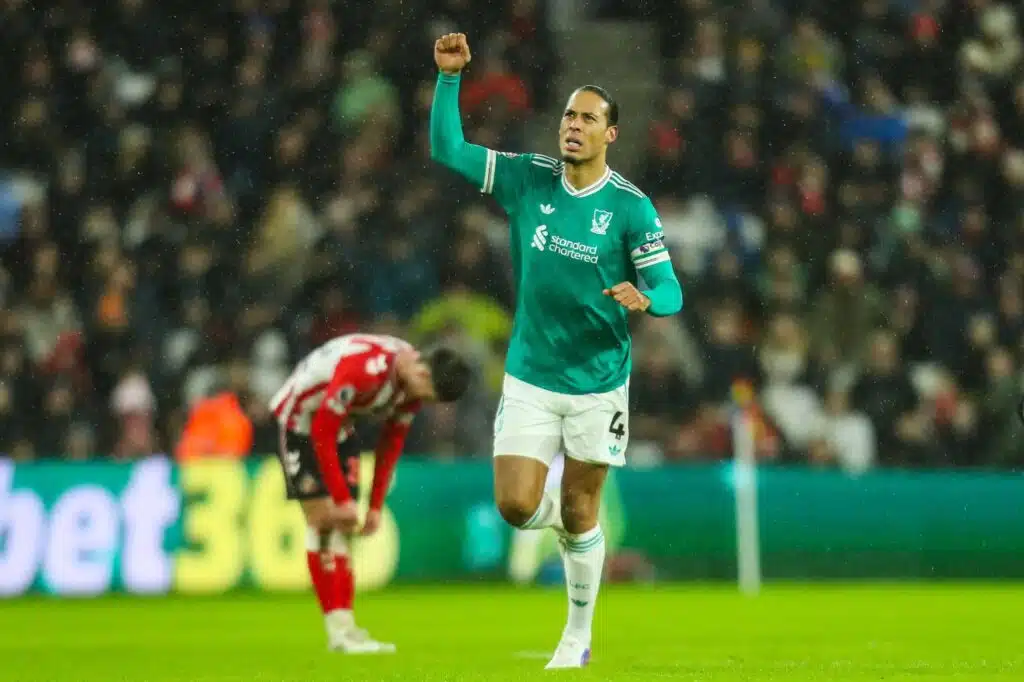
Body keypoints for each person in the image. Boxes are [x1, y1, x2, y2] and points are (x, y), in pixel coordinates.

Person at [429, 33, 684, 669]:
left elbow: (672, 290)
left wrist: (646, 298)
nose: (573, 125)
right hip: (532, 376)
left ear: (610, 135)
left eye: (588, 118)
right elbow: (448, 148)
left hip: (599, 382)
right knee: (517, 505)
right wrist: (450, 78)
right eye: (569, 115)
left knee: (580, 506)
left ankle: (577, 637)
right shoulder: (528, 178)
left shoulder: (630, 208)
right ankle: (576, 534)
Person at [269, 333, 471, 653]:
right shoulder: (365, 370)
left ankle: (346, 628)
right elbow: (320, 429)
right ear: (422, 373)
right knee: (323, 521)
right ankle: (338, 633)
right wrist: (342, 499)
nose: (422, 403)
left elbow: (390, 444)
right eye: (428, 396)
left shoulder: (410, 386)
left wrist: (375, 506)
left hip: (339, 426)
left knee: (346, 525)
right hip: (301, 422)